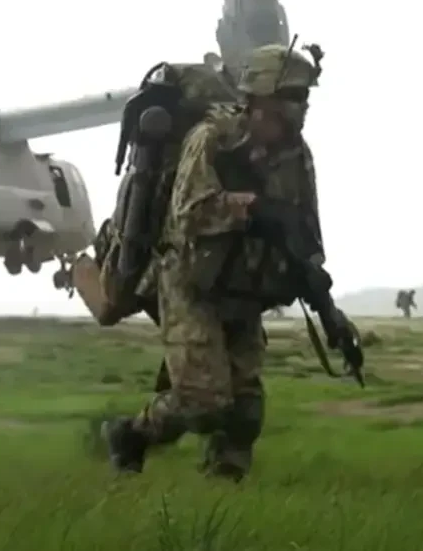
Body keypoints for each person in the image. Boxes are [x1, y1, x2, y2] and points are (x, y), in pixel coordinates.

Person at [100, 43, 339, 482]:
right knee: (202, 403)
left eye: (304, 97)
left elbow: (304, 234)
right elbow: (189, 213)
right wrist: (254, 209)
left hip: (244, 287)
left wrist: (330, 313)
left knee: (246, 411)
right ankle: (130, 435)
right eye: (292, 96)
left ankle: (224, 491)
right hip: (191, 280)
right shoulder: (212, 138)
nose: (301, 107)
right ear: (263, 95)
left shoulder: (297, 156)